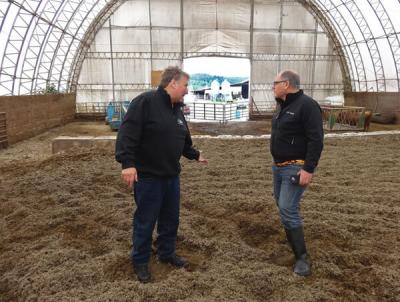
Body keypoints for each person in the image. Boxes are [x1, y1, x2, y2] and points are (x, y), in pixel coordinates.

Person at [115, 66, 207, 283]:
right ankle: (140, 260)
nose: (187, 90)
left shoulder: (177, 109)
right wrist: (127, 164)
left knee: (170, 219)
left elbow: (183, 140)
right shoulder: (145, 103)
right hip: (148, 177)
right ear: (173, 83)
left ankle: (166, 253)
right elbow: (127, 134)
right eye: (185, 85)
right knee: (146, 220)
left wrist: (194, 155)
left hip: (171, 177)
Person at [270, 70, 323, 276]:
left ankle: (302, 258)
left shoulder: (307, 106)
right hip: (278, 166)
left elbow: (316, 139)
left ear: (286, 84)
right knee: (282, 206)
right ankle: (293, 240)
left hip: (295, 165)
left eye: (274, 83)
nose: (272, 87)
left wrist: (308, 168)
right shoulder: (282, 106)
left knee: (287, 207)